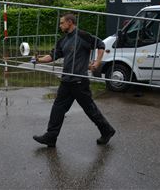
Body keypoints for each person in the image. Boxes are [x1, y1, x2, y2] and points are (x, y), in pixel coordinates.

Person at [33, 13, 116, 147]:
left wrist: (97, 62)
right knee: (58, 109)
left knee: (90, 109)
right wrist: (38, 60)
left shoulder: (83, 36)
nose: (60, 26)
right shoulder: (63, 40)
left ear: (70, 22)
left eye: (62, 23)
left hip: (79, 81)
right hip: (66, 81)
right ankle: (51, 136)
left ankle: (107, 130)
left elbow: (101, 45)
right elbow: (53, 56)